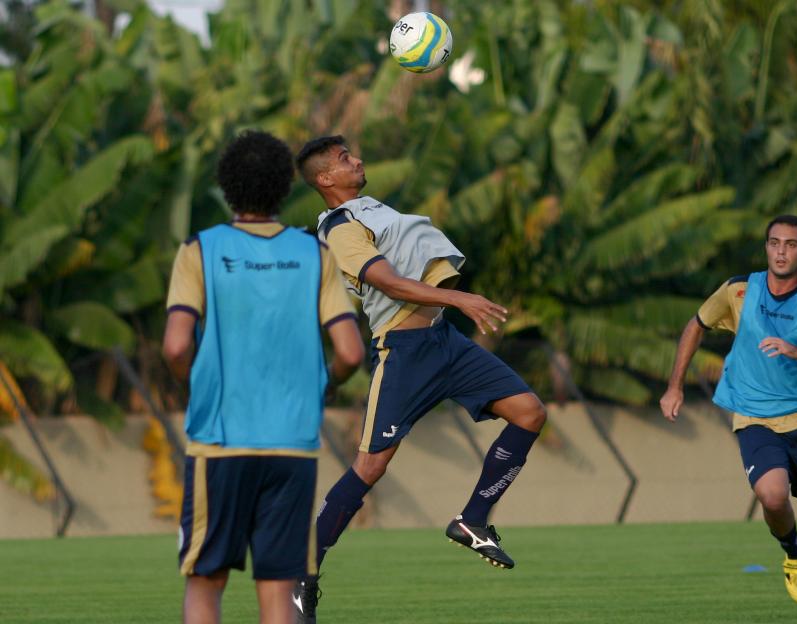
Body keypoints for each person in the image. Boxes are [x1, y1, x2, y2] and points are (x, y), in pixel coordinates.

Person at [291, 135, 547, 620]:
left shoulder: (368, 207)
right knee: (370, 468)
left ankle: (472, 520)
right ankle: (303, 574)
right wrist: (459, 297)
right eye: (344, 158)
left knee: (529, 412)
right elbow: (387, 282)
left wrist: (449, 305)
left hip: (443, 341)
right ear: (324, 178)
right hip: (404, 353)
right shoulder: (340, 228)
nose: (357, 159)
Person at [162, 130, 364, 624]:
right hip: (291, 448)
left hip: (220, 445)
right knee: (278, 592)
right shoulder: (314, 253)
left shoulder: (200, 249)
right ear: (284, 187)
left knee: (206, 583)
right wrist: (324, 384)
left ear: (227, 187)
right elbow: (349, 352)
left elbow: (175, 346)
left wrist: (198, 385)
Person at [660, 215, 797, 624]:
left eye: (791, 244)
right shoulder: (739, 290)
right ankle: (793, 552)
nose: (781, 251)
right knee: (773, 495)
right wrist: (674, 386)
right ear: (766, 247)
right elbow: (696, 325)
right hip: (754, 417)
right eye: (774, 243)